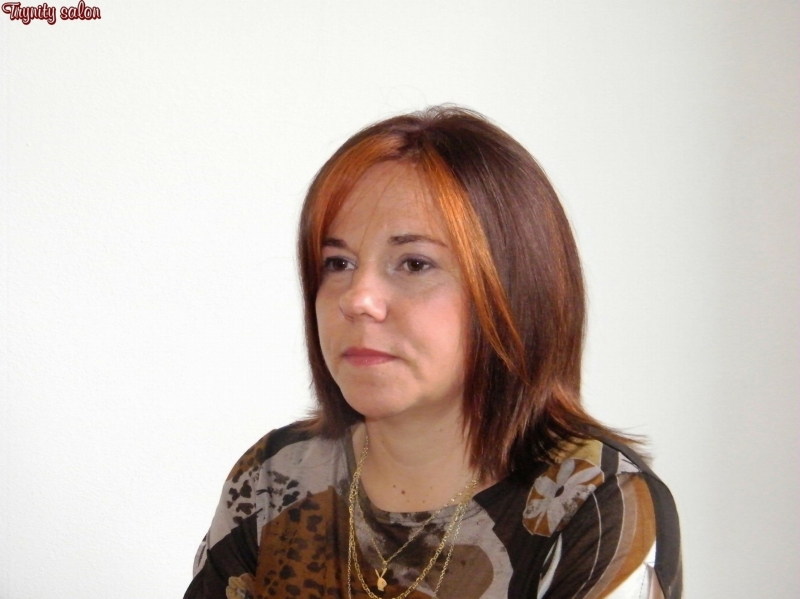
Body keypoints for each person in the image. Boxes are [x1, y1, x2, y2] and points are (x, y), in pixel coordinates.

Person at [184, 106, 682, 599]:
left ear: (514, 290)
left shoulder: (592, 502)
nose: (357, 299)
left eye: (414, 264)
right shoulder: (277, 478)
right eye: (338, 263)